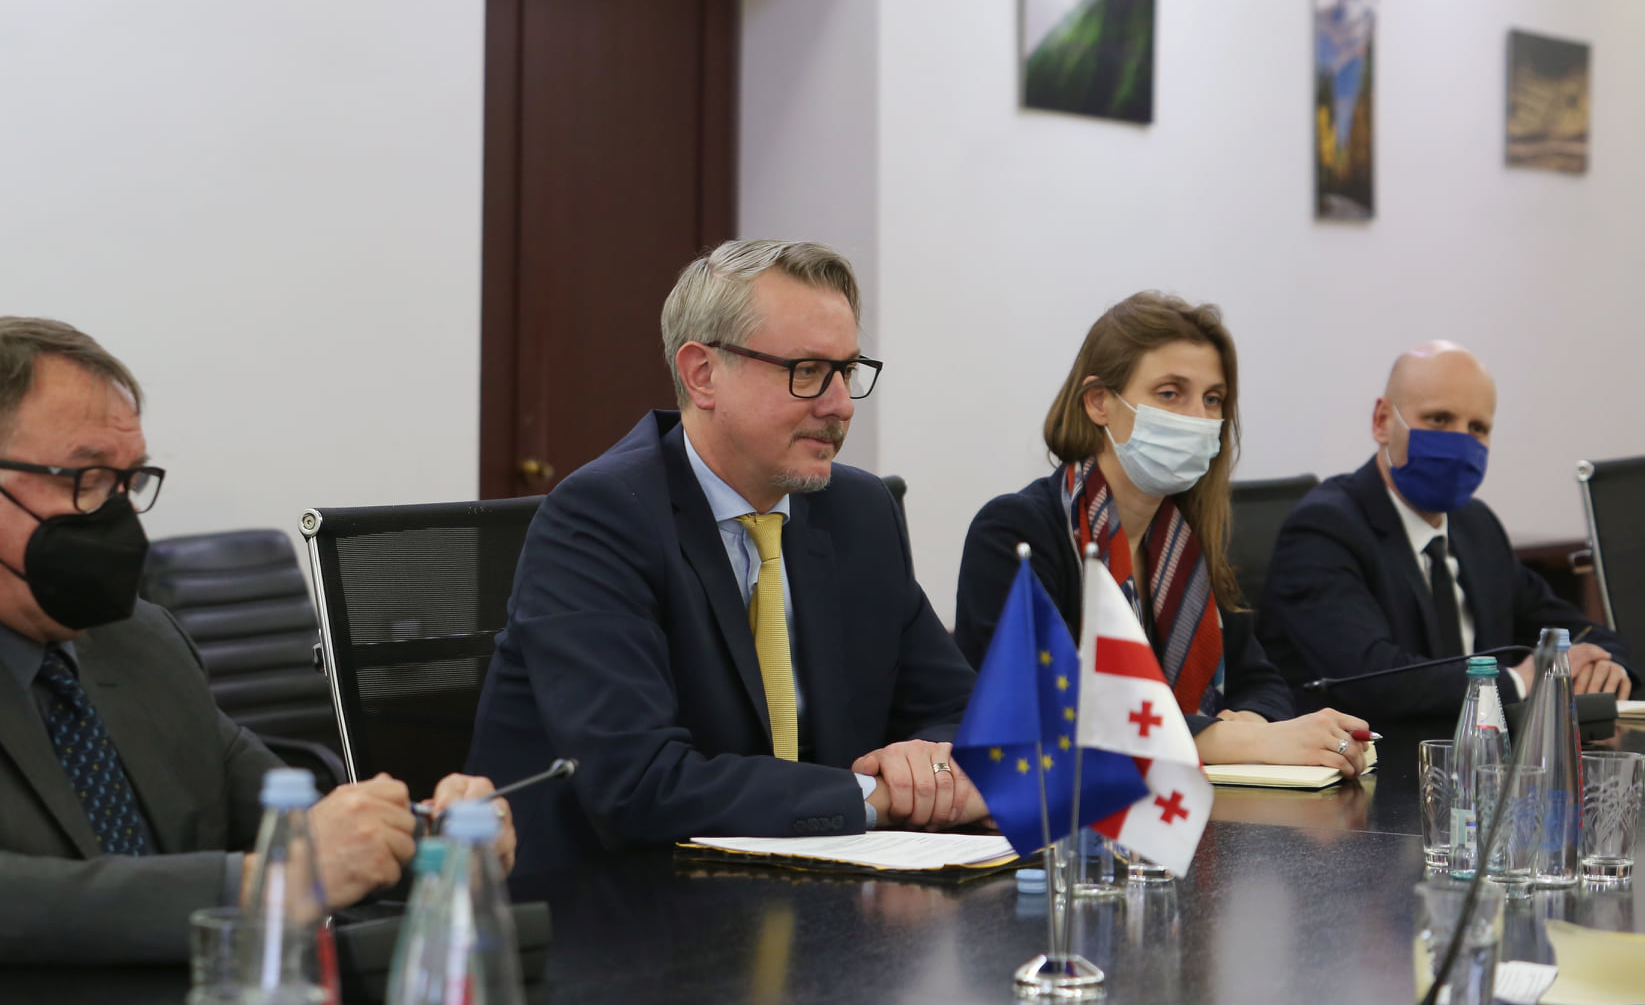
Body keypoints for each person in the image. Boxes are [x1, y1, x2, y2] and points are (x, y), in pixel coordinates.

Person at [0, 318, 512, 1003]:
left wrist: (431, 842)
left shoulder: (137, 638)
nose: (120, 518)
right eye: (88, 480)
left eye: (130, 482)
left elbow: (287, 820)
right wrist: (272, 881)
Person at [467, 240, 983, 877]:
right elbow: (640, 783)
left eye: (847, 371)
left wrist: (934, 764)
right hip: (623, 902)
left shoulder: (859, 511)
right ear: (702, 374)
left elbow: (965, 714)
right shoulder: (600, 517)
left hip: (815, 889)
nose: (840, 406)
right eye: (807, 371)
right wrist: (878, 797)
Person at [954, 292, 1371, 776]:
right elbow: (1052, 709)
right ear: (1099, 402)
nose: (1198, 418)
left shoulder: (1186, 542)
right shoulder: (1016, 532)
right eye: (1170, 393)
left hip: (1190, 802)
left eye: (1213, 399)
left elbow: (1262, 681)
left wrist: (1251, 722)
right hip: (1065, 811)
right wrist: (1237, 739)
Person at [1259, 341, 1637, 719]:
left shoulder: (1477, 526)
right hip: (1372, 749)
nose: (1460, 442)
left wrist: (1608, 664)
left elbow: (1578, 632)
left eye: (1477, 428)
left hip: (1482, 748)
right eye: (1439, 419)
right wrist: (1519, 681)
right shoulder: (1323, 530)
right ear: (1382, 421)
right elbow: (1375, 680)